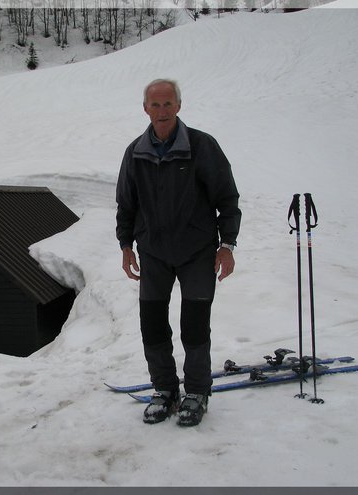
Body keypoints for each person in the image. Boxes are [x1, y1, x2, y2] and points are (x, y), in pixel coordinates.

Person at [115, 79, 241, 427]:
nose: (162, 111)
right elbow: (126, 205)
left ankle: (197, 391)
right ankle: (165, 391)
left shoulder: (202, 146)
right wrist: (126, 247)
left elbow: (227, 199)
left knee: (194, 327)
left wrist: (226, 246)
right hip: (153, 253)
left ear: (179, 106)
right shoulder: (135, 153)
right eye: (155, 105)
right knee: (152, 326)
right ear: (145, 109)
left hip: (197, 252)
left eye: (168, 103)